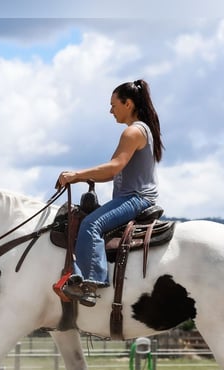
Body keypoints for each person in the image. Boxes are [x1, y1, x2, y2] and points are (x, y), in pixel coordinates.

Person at [55, 78, 164, 306]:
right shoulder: (140, 130)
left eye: (113, 105)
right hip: (133, 197)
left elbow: (114, 167)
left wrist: (76, 175)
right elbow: (112, 173)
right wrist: (82, 176)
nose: (110, 111)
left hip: (136, 198)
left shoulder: (133, 132)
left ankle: (91, 281)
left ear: (128, 104)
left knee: (91, 225)